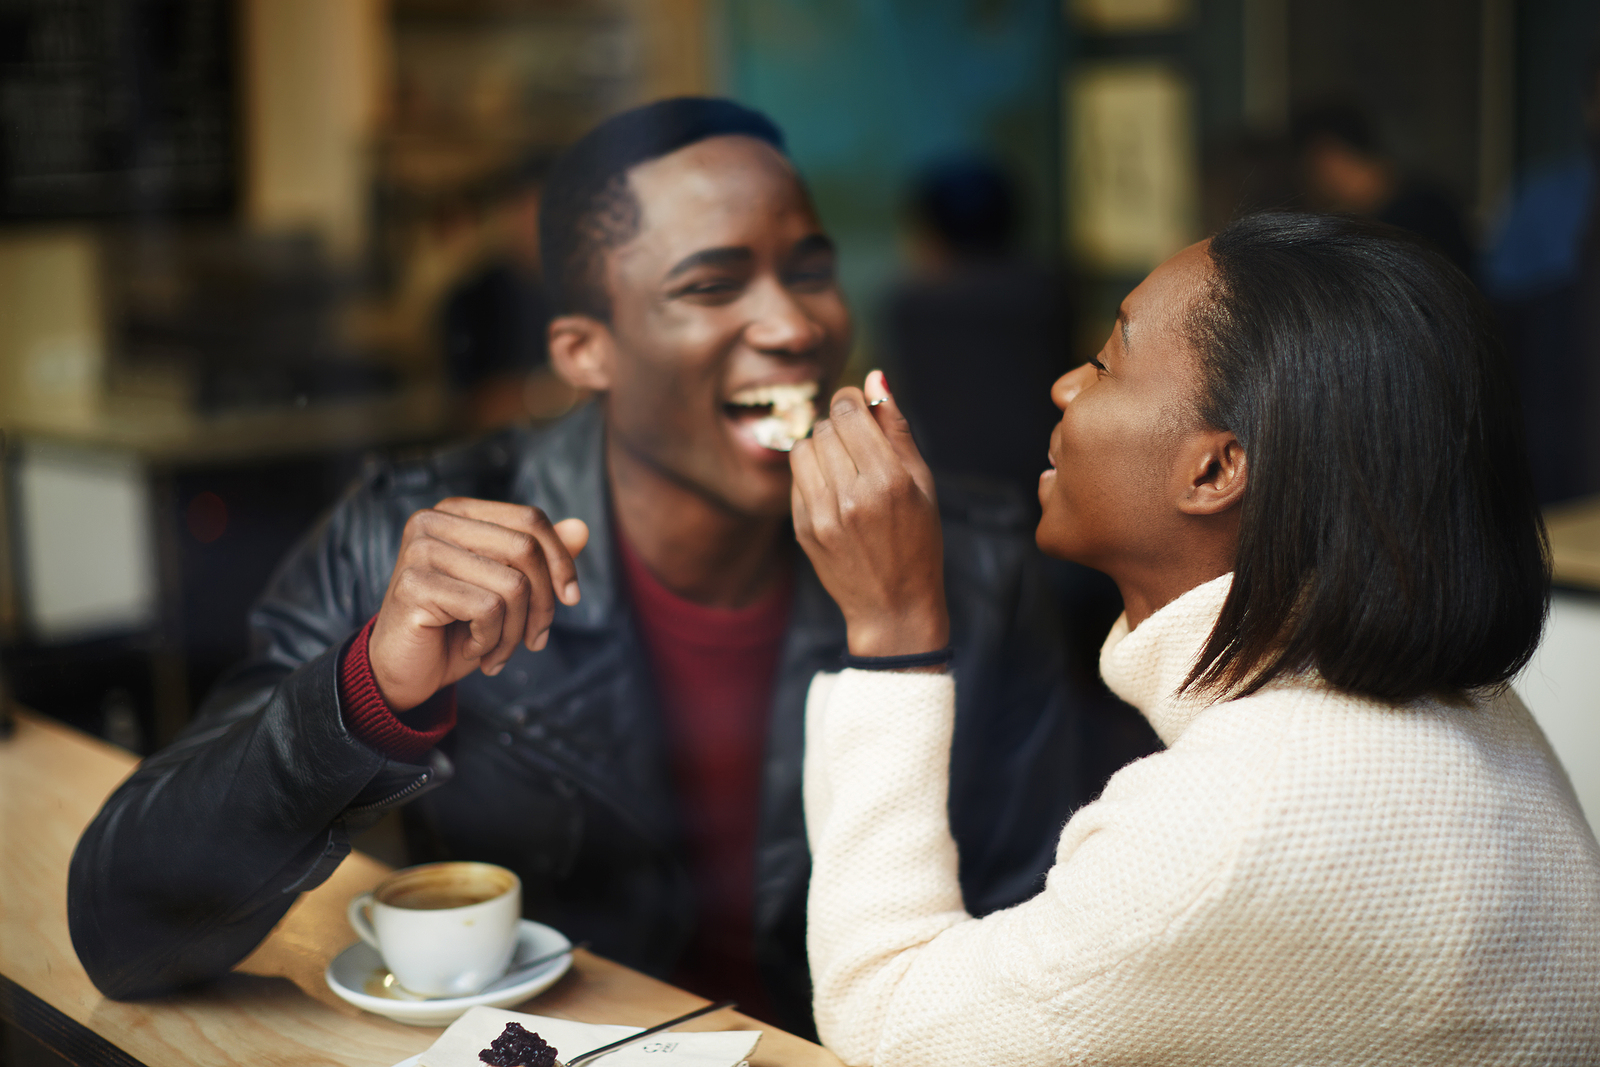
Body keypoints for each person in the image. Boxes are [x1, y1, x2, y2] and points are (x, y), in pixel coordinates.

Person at [66, 98, 1090, 1037]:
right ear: (582, 351)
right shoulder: (404, 541)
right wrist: (368, 692)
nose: (795, 326)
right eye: (712, 285)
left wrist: (908, 630)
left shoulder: (973, 559)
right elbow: (126, 929)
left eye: (810, 270)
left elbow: (1038, 974)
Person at [793, 213, 1600, 1064]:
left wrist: (894, 626)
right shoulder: (1473, 713)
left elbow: (888, 1017)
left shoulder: (1244, 812)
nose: (1067, 384)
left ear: (1215, 469)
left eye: (1108, 361)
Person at [1293, 102, 1475, 276]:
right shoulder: (1415, 203)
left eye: (1308, 164)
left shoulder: (1420, 212)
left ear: (1326, 156)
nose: (1307, 180)